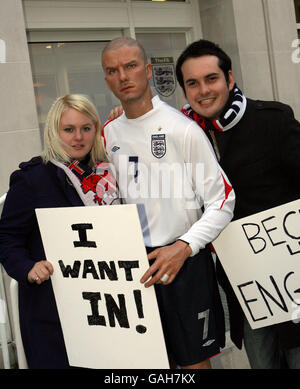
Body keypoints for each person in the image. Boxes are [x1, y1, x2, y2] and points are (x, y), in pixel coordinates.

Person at [101, 37, 235, 369]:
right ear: (106, 80)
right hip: (135, 268)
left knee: (194, 364)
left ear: (147, 71)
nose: (123, 76)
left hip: (183, 264)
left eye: (130, 66)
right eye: (112, 70)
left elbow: (223, 200)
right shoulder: (108, 133)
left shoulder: (183, 129)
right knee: (151, 364)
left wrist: (185, 246)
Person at [175, 39, 300, 369]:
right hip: (245, 289)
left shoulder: (272, 120)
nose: (203, 90)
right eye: (192, 83)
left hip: (293, 280)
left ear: (229, 79)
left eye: (211, 78)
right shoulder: (183, 137)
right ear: (185, 91)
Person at [0, 94, 118, 368]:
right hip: (53, 312)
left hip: (107, 310)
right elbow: (6, 237)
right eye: (68, 129)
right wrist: (28, 268)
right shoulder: (32, 179)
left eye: (86, 128)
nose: (78, 137)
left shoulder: (108, 175)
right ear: (54, 132)